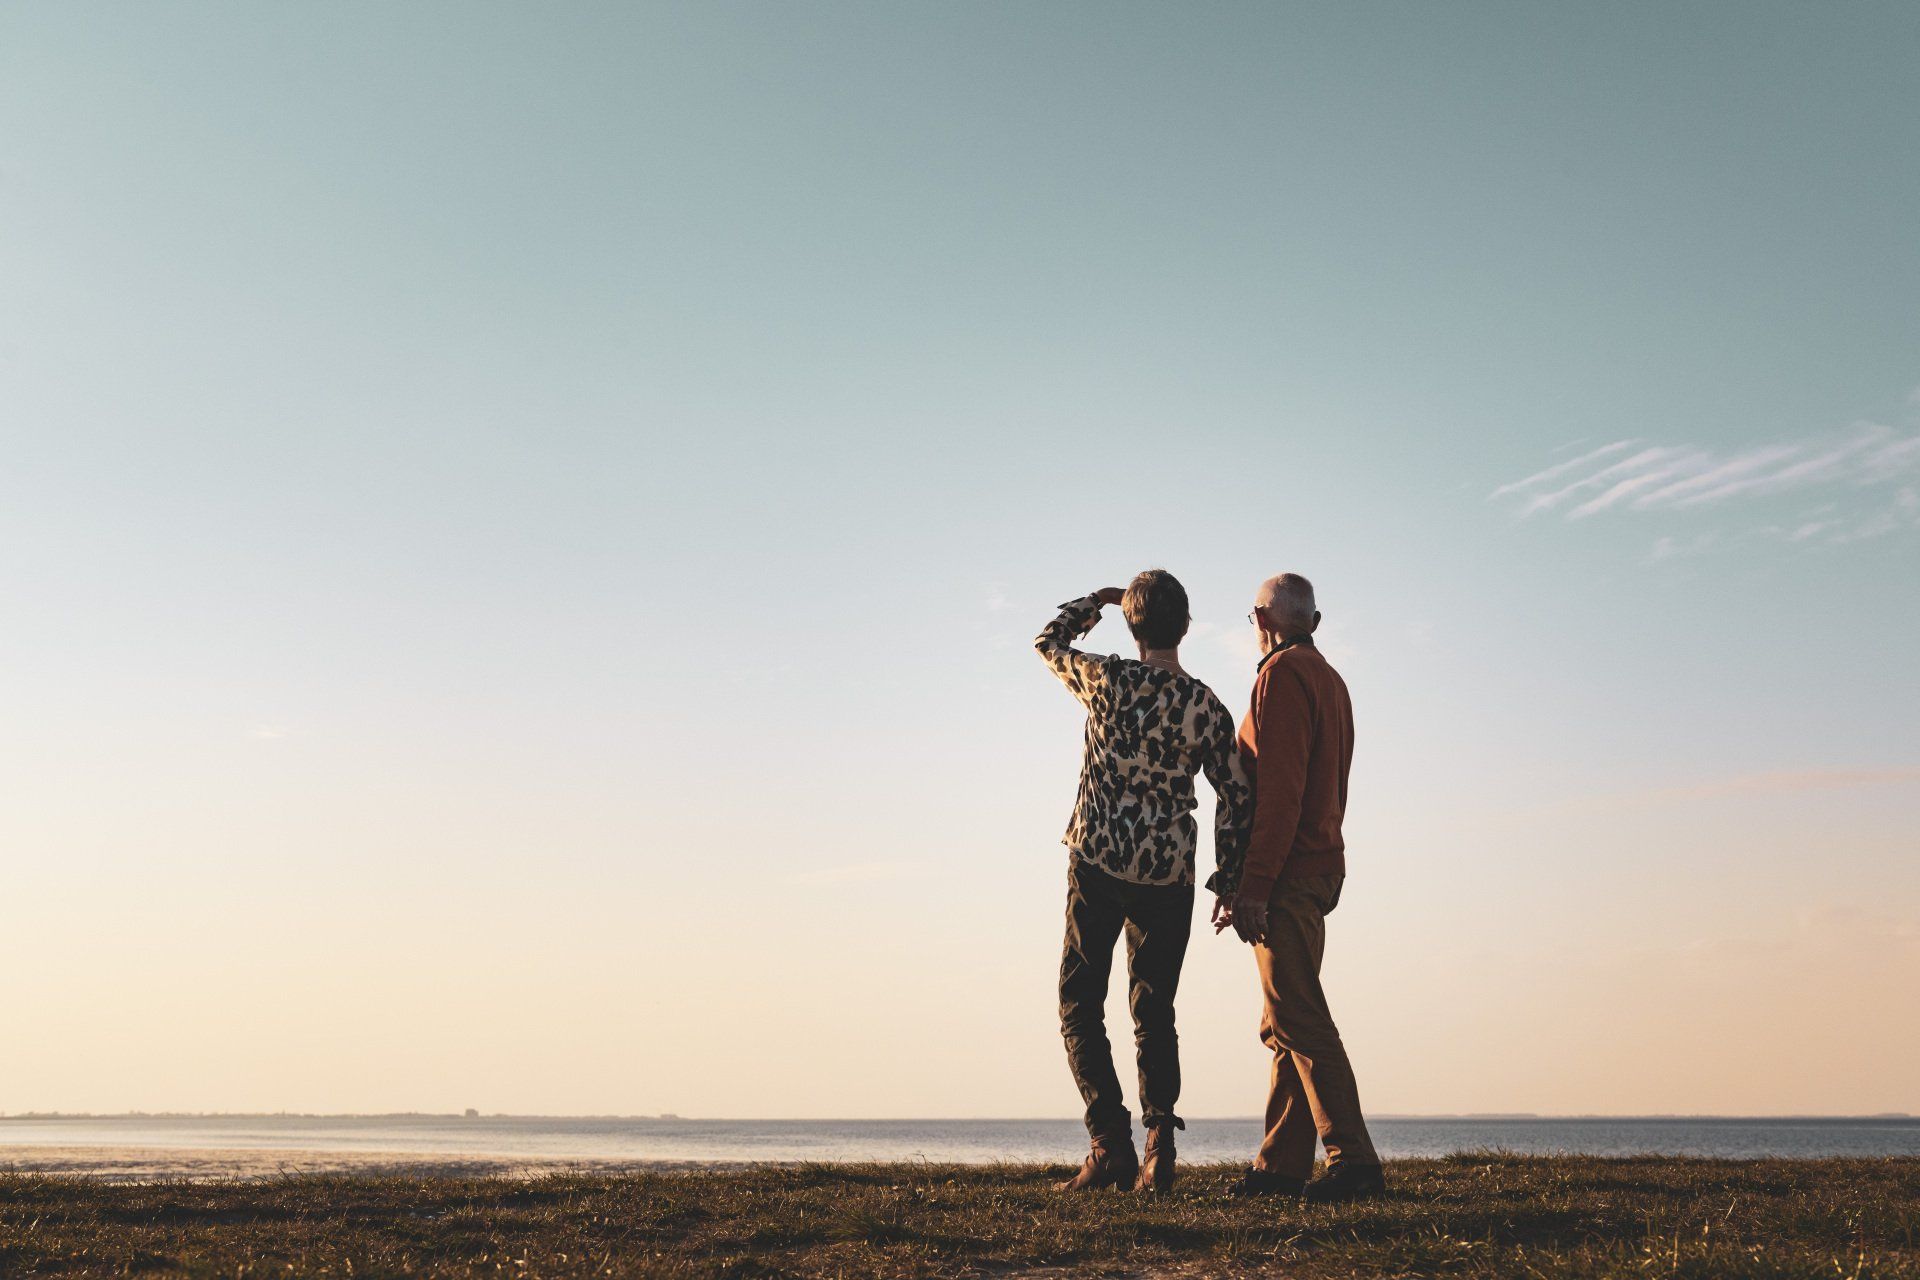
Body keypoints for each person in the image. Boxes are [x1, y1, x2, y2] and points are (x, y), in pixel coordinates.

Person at [1035, 570, 1251, 1193]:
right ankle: (1159, 1150)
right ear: (1184, 627)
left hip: (1097, 859)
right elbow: (1236, 793)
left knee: (1080, 1003)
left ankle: (1109, 1145)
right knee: (1154, 1010)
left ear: (1133, 626)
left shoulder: (1107, 678)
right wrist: (1228, 877)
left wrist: (1095, 604)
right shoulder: (1204, 705)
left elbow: (1047, 643)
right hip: (1167, 872)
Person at [1214, 573, 1385, 1202]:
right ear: (1314, 621)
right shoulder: (1331, 680)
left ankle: (1355, 1162)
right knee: (1284, 1018)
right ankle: (1281, 1167)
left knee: (1299, 1016)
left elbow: (1280, 792)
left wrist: (1254, 885)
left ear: (1261, 619)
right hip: (1319, 863)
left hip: (1288, 872)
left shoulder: (1281, 676)